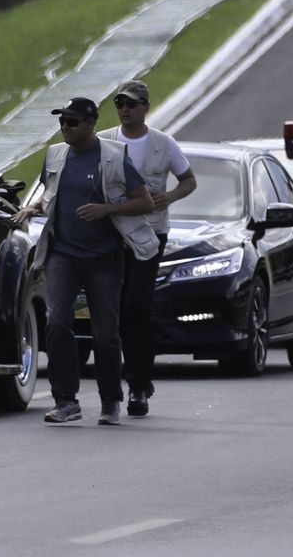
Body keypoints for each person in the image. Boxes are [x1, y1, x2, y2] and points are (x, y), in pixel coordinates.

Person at [13, 97, 157, 426]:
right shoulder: (56, 154)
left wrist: (106, 210)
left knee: (105, 332)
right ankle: (66, 401)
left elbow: (144, 202)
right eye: (62, 121)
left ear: (91, 124)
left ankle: (110, 401)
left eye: (73, 122)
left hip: (104, 258)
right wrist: (32, 208)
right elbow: (47, 192)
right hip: (63, 254)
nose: (65, 128)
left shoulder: (113, 157)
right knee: (57, 321)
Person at [99, 80, 197, 417]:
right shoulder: (105, 141)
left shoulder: (163, 143)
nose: (125, 110)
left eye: (131, 104)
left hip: (150, 233)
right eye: (119, 104)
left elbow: (189, 180)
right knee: (114, 309)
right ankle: (114, 384)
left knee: (137, 306)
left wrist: (168, 197)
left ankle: (139, 384)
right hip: (112, 233)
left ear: (145, 107)